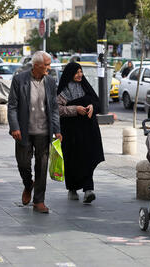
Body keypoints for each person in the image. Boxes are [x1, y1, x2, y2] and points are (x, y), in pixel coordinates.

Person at [7, 51, 62, 214]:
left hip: (44, 131)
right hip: (23, 131)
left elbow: (54, 108)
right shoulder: (19, 80)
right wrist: (14, 126)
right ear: (36, 65)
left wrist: (57, 130)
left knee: (42, 165)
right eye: (47, 65)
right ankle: (27, 184)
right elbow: (12, 106)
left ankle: (39, 201)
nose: (49, 68)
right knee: (23, 163)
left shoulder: (51, 82)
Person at [56, 62, 104, 204]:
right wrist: (75, 109)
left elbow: (97, 103)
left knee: (88, 157)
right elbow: (57, 109)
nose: (80, 75)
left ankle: (88, 190)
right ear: (70, 74)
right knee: (72, 159)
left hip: (88, 130)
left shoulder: (85, 86)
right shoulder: (63, 90)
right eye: (77, 72)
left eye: (80, 72)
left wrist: (91, 107)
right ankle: (72, 189)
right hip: (71, 132)